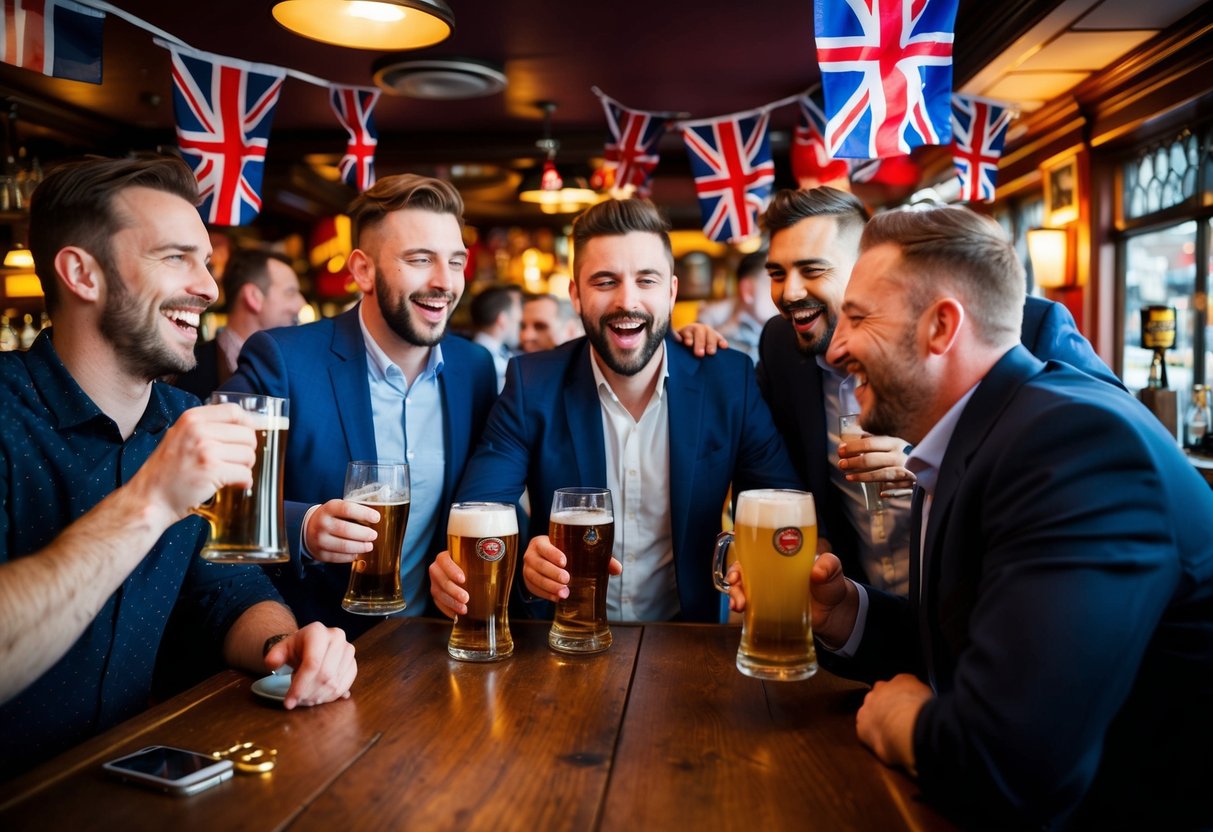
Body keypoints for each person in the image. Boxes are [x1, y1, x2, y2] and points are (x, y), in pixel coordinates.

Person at [803, 204, 1213, 829]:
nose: (835, 347)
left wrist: (907, 721)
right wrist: (846, 613)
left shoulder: (1072, 445)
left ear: (941, 327)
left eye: (858, 318)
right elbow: (978, 648)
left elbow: (1011, 763)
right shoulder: (989, 433)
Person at [0, 156, 356, 778]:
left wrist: (282, 644)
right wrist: (152, 498)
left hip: (128, 781)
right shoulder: (6, 416)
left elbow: (224, 588)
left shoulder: (182, 414)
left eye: (208, 263)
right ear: (82, 273)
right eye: (175, 258)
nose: (209, 288)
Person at [428, 198, 802, 623]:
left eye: (647, 280)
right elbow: (480, 508)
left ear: (671, 292)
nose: (628, 301)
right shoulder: (532, 383)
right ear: (576, 295)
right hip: (566, 642)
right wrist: (525, 562)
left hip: (690, 641)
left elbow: (781, 505)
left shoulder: (727, 380)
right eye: (605, 282)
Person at [755, 186, 1123, 596]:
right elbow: (768, 455)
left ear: (866, 267)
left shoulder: (1030, 326)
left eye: (813, 269)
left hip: (989, 598)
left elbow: (1106, 445)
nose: (789, 293)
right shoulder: (780, 346)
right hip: (867, 613)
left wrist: (930, 462)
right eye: (776, 274)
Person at [223, 173, 498, 638]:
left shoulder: (475, 368)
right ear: (362, 270)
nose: (444, 282)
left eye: (455, 261)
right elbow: (217, 494)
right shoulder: (283, 358)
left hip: (436, 646)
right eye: (419, 259)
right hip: (314, 648)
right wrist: (305, 527)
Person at [171, 248, 305, 399]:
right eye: (291, 292)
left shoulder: (299, 368)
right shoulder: (184, 371)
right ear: (253, 297)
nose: (301, 304)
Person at [708, 249, 779, 365]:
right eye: (775, 281)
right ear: (748, 290)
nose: (784, 292)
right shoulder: (724, 346)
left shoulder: (783, 335)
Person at [470, 283, 522, 390]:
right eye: (517, 321)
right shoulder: (492, 364)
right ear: (502, 320)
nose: (519, 329)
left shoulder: (501, 354)